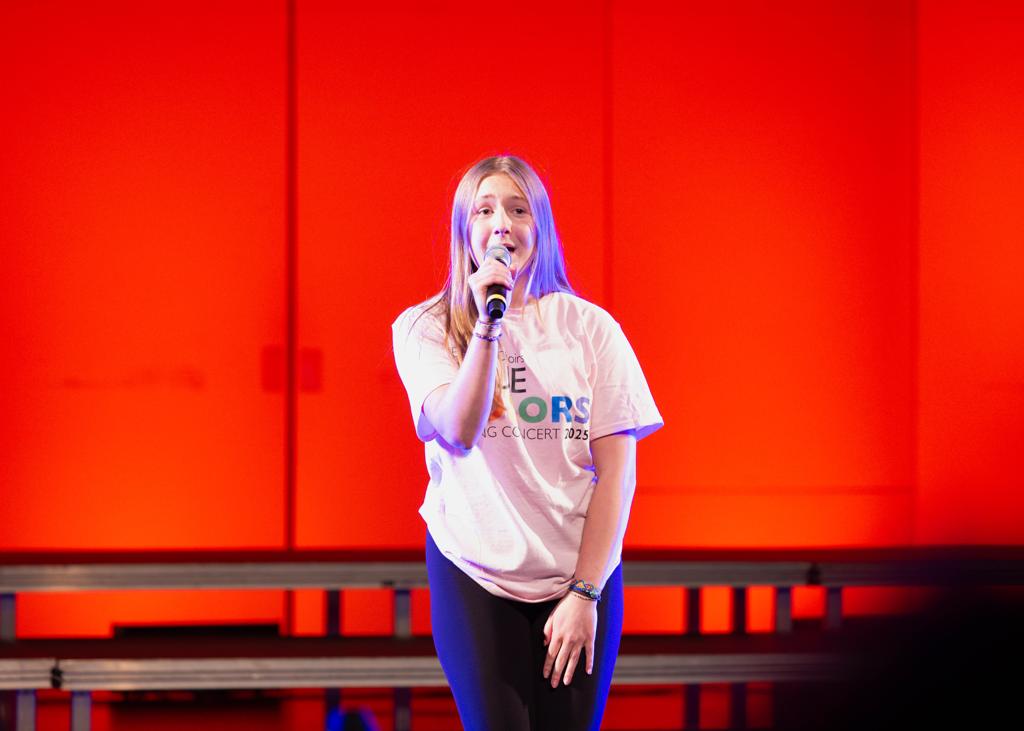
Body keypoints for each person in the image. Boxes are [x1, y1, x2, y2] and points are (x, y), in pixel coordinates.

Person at [392, 155, 662, 730]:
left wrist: (585, 592)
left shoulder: (591, 330)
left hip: (578, 572)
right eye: (484, 211)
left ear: (541, 227)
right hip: (475, 569)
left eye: (519, 210)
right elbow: (458, 430)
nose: (502, 225)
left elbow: (617, 474)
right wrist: (487, 326)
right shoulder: (425, 327)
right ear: (464, 229)